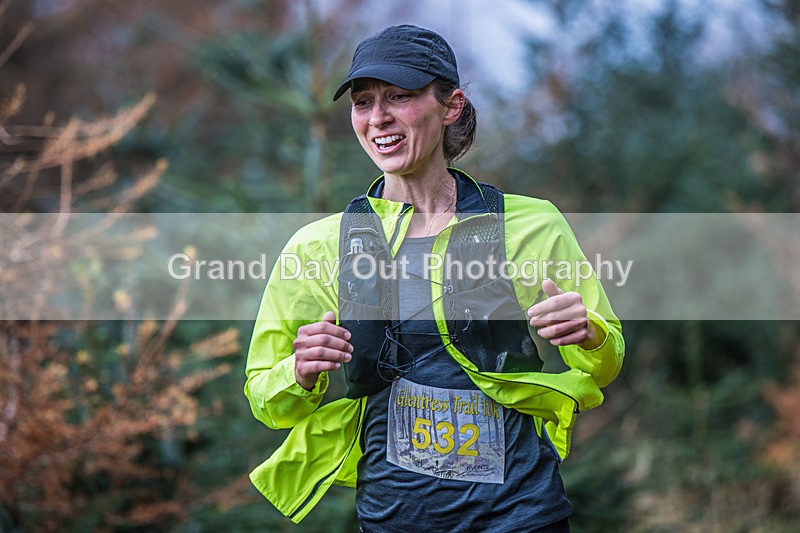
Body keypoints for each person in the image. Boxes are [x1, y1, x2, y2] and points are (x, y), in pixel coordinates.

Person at [245, 25, 624, 532]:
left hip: (521, 513)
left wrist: (590, 334)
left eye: (399, 96)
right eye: (363, 102)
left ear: (452, 106)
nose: (378, 117)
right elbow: (265, 399)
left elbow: (605, 362)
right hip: (393, 517)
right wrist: (300, 371)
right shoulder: (318, 247)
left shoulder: (530, 224)